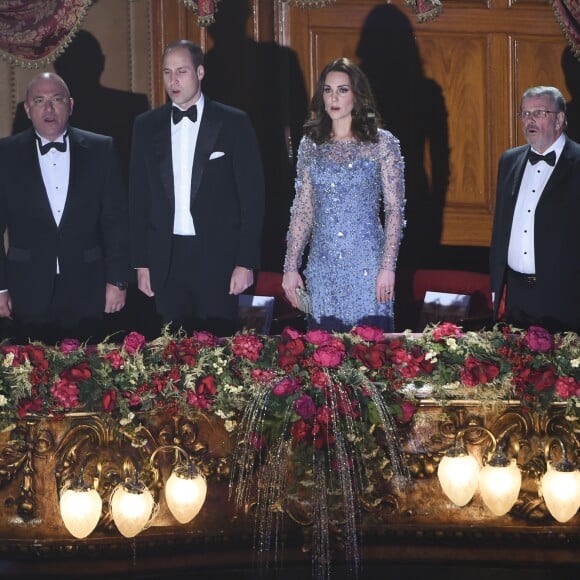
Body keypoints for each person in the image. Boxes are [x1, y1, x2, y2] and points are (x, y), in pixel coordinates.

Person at [128, 40, 265, 337]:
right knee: (171, 354)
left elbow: (252, 199)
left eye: (181, 72)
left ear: (200, 72)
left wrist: (245, 262)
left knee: (219, 354)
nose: (173, 81)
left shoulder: (233, 122)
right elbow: (138, 199)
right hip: (166, 258)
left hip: (218, 259)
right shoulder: (146, 125)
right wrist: (141, 263)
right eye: (167, 73)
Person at [0, 72, 129, 344]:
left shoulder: (101, 149)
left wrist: (117, 281)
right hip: (27, 289)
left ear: (70, 105)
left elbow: (115, 222)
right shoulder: (6, 154)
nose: (48, 108)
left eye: (56, 99)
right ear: (27, 109)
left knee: (88, 375)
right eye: (39, 100)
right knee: (31, 378)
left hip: (87, 287)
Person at [282, 57, 405, 332]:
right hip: (322, 268)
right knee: (324, 361)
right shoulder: (311, 145)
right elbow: (302, 209)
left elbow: (395, 210)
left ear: (357, 96)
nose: (333, 98)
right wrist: (291, 267)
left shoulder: (382, 144)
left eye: (342, 90)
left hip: (368, 266)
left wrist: (388, 267)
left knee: (370, 359)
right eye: (328, 90)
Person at [490, 85, 580, 333]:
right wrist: (498, 288)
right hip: (517, 296)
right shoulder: (509, 160)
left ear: (560, 118)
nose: (529, 120)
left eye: (539, 113)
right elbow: (500, 229)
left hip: (564, 298)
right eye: (525, 113)